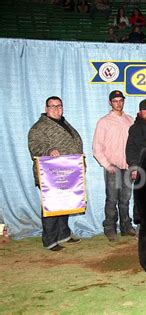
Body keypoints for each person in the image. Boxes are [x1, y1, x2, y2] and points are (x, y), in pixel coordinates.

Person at [28, 96, 83, 251]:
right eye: (52, 106)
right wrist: (49, 151)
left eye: (59, 106)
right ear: (46, 109)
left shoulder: (64, 123)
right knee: (52, 206)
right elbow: (34, 147)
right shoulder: (39, 127)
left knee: (64, 204)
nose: (56, 109)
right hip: (49, 174)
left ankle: (63, 234)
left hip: (67, 173)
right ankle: (50, 240)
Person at [93, 90, 136, 242]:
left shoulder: (130, 120)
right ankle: (110, 228)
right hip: (113, 166)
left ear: (123, 102)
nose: (118, 103)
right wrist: (107, 164)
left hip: (127, 166)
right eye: (115, 100)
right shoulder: (104, 121)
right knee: (112, 199)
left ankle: (126, 226)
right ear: (110, 102)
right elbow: (96, 147)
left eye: (121, 100)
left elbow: (134, 144)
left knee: (125, 199)